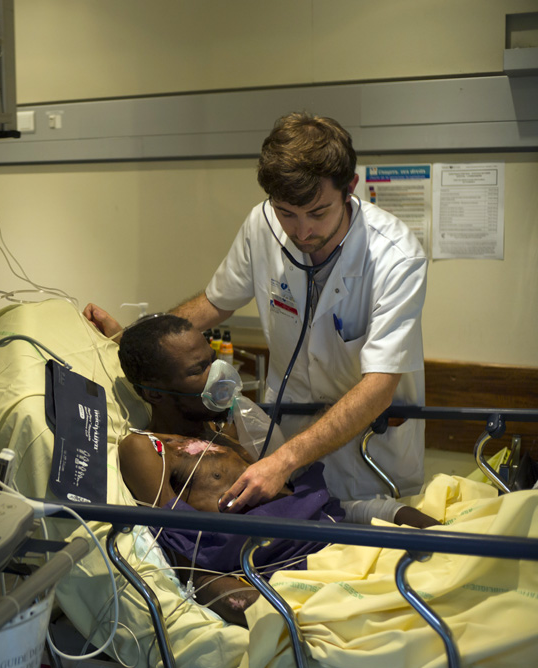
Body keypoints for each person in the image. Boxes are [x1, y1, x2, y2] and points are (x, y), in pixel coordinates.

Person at [88, 111, 427, 510]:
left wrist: (282, 461)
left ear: (350, 188)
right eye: (287, 213)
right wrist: (132, 339)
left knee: (370, 530)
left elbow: (378, 387)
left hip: (369, 448)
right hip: (288, 437)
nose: (301, 232)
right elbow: (215, 303)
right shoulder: (261, 225)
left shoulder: (396, 257)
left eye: (318, 213)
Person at [115, 314, 438, 626]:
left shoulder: (227, 432)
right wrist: (253, 610)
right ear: (155, 392)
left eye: (213, 360)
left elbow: (298, 500)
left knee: (454, 558)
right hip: (285, 569)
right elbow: (180, 545)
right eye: (199, 369)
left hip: (331, 540)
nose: (220, 373)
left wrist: (389, 512)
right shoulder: (149, 448)